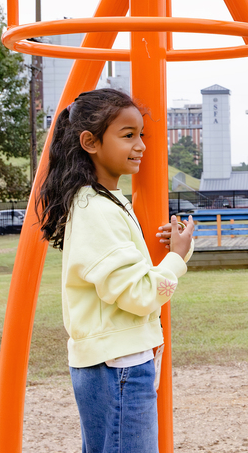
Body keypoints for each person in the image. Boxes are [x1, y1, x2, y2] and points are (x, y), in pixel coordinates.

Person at [35, 88, 196, 453]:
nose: (140, 146)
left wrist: (173, 249)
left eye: (141, 135)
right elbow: (138, 295)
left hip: (111, 365)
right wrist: (177, 259)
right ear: (90, 142)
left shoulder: (101, 200)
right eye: (128, 136)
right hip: (119, 367)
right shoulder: (97, 210)